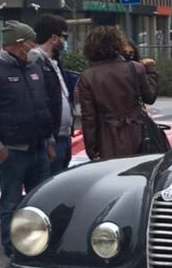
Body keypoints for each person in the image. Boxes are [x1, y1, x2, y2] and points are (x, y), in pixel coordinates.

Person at [0, 20, 56, 261]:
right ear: (20, 44)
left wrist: (48, 141)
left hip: (38, 148)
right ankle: (13, 250)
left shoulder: (33, 68)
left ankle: (39, 246)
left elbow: (43, 107)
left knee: (40, 201)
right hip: (11, 152)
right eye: (31, 41)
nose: (35, 46)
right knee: (11, 203)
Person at [77, 25, 159, 161]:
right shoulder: (135, 68)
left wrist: (92, 150)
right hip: (138, 133)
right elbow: (150, 97)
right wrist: (151, 71)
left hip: (107, 138)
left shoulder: (88, 76)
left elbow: (89, 118)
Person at [30, 13, 77, 173]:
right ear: (54, 38)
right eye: (64, 37)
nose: (64, 42)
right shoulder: (36, 62)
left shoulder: (54, 62)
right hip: (51, 138)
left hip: (63, 135)